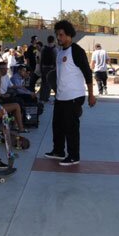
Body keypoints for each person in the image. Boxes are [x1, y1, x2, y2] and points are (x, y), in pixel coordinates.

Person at [44, 20, 95, 166]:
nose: (58, 37)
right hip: (61, 97)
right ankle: (58, 151)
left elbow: (87, 73)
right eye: (57, 34)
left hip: (74, 97)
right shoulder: (60, 53)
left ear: (69, 35)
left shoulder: (77, 51)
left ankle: (74, 156)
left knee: (71, 128)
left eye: (61, 35)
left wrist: (91, 95)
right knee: (57, 126)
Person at [39, 35, 56, 102]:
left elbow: (41, 59)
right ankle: (46, 98)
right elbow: (56, 60)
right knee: (49, 83)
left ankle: (41, 97)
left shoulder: (43, 48)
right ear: (53, 40)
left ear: (47, 40)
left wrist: (41, 68)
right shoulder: (55, 49)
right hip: (51, 68)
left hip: (44, 68)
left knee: (43, 83)